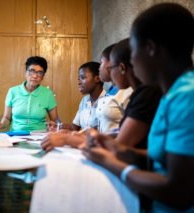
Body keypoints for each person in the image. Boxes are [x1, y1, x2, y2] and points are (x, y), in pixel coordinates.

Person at [83, 3, 194, 212]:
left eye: (133, 51)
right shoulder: (171, 94)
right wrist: (118, 149)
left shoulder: (187, 96)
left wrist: (112, 163)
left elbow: (179, 191)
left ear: (151, 49)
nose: (132, 62)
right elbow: (162, 160)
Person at [0, 56, 58, 132]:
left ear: (43, 76)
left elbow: (55, 121)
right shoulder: (13, 91)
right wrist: (1, 124)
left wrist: (53, 125)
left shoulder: (48, 94)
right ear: (26, 73)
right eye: (32, 71)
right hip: (16, 135)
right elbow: (7, 118)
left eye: (40, 73)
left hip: (39, 136)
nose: (35, 76)